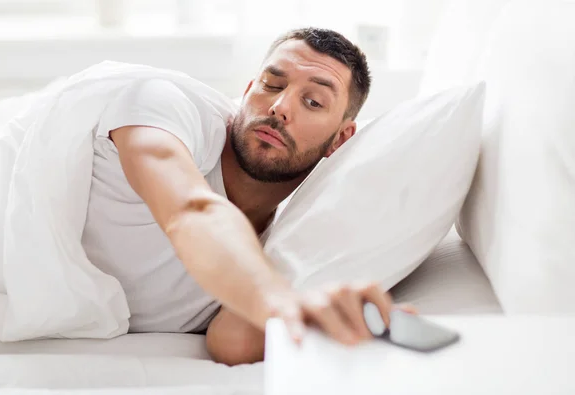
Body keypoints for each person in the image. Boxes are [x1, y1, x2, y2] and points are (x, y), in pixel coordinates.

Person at [81, 27, 413, 366]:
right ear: (247, 90)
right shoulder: (163, 106)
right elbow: (188, 210)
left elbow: (233, 344)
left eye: (313, 102)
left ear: (340, 140)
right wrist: (279, 300)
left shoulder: (292, 233)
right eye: (272, 85)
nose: (280, 107)